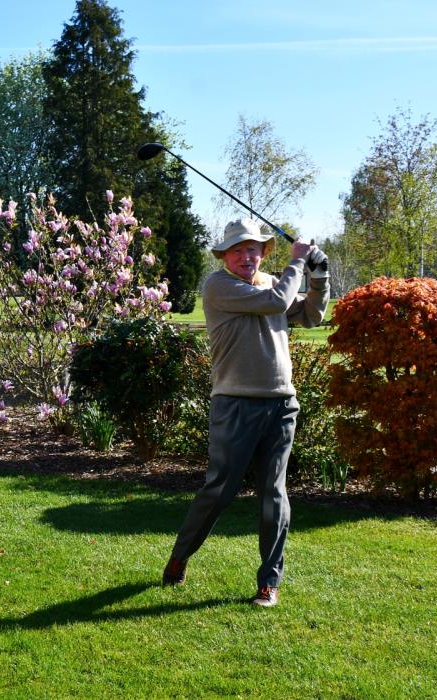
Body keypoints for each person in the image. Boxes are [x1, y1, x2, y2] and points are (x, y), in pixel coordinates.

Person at [161, 218, 329, 608]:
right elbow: (276, 303)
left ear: (262, 252)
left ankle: (269, 582)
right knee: (218, 490)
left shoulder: (274, 284)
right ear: (225, 256)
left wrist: (320, 275)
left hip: (281, 403)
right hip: (235, 404)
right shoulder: (219, 286)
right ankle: (179, 556)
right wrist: (298, 264)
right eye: (237, 250)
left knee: (274, 493)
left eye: (253, 248)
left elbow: (312, 315)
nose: (246, 256)